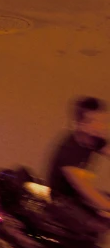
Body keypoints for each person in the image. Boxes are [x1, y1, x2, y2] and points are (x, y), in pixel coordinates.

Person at [47, 96, 110, 237]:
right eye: (95, 122)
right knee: (95, 227)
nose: (102, 127)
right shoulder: (69, 154)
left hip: (77, 196)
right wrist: (106, 205)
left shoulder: (94, 139)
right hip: (62, 202)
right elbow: (87, 192)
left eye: (103, 121)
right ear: (80, 124)